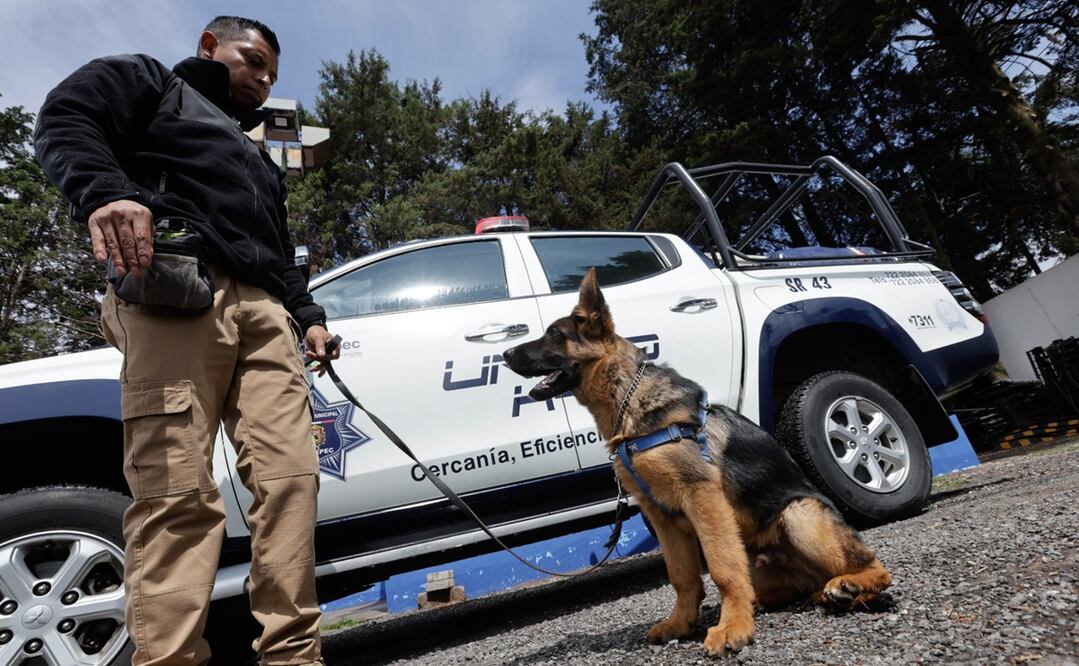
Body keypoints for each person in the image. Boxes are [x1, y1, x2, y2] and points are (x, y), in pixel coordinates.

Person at [34, 15, 335, 666]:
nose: (261, 79)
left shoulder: (258, 154)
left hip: (264, 312)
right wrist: (107, 192)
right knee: (177, 494)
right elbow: (66, 118)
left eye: (272, 75)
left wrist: (307, 314)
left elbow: (276, 249)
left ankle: (295, 657)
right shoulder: (151, 82)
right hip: (175, 291)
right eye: (253, 61)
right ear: (209, 47)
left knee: (291, 482)